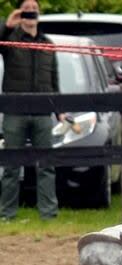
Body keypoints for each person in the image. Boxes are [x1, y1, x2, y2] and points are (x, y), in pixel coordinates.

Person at [1, 0, 58, 221]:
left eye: (34, 9)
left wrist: (59, 110)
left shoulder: (48, 43)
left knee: (46, 165)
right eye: (26, 9)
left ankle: (48, 215)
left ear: (39, 14)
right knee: (11, 166)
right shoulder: (10, 39)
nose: (31, 12)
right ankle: (7, 215)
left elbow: (54, 80)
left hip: (43, 112)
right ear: (20, 13)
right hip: (15, 111)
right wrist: (8, 25)